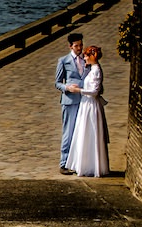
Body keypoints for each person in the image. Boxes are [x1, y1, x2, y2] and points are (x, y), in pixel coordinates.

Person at [64, 46, 110, 177]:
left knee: (91, 131)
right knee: (84, 131)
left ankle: (91, 165)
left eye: (86, 56)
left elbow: (94, 92)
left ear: (92, 56)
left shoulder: (96, 71)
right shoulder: (92, 70)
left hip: (91, 104)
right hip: (86, 104)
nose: (84, 59)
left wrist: (79, 91)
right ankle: (84, 164)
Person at [54, 33, 85, 175]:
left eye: (81, 45)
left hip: (84, 100)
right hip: (70, 100)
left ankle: (78, 162)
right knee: (69, 131)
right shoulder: (64, 61)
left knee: (82, 132)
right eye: (76, 45)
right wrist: (67, 88)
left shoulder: (86, 59)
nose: (79, 48)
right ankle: (64, 163)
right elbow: (57, 82)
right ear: (70, 46)